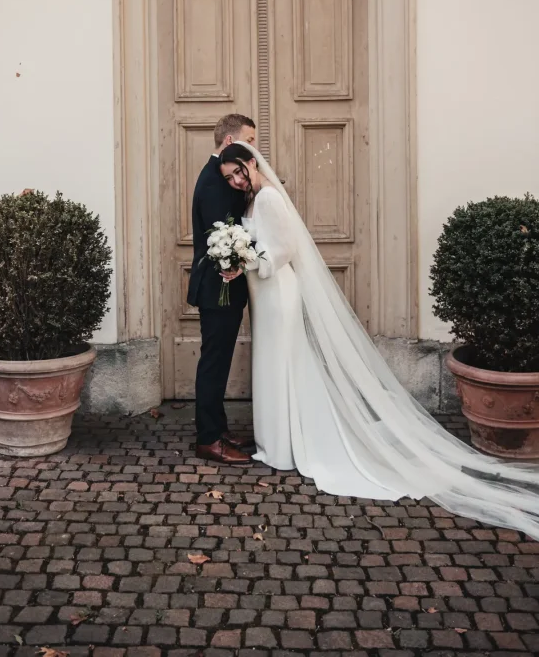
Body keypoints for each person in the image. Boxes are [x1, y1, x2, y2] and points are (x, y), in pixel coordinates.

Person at [218, 142, 539, 539]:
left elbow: (284, 250)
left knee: (282, 363)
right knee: (272, 365)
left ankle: (284, 447)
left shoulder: (268, 197)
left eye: (239, 171)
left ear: (252, 162)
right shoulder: (251, 199)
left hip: (278, 293)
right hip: (262, 296)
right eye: (229, 177)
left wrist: (246, 261)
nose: (236, 180)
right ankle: (275, 443)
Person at [187, 114, 257, 465]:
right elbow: (221, 238)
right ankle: (209, 440)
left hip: (223, 287)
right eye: (250, 140)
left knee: (218, 361)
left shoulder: (220, 176)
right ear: (231, 142)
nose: (254, 147)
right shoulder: (215, 181)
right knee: (213, 364)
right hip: (218, 288)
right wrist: (235, 264)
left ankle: (219, 428)